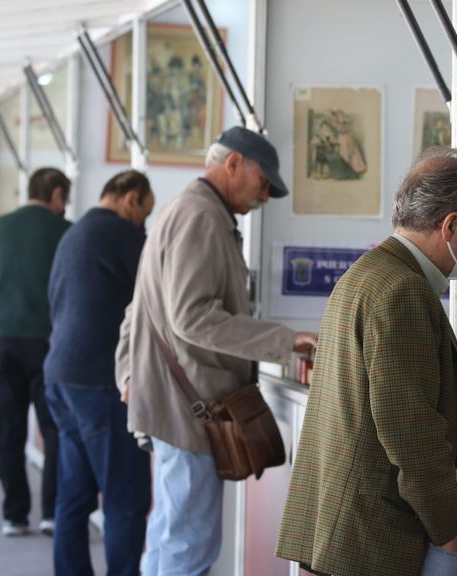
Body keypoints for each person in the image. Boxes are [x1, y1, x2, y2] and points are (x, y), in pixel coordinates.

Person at [276, 147, 457, 576]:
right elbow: (411, 436)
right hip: (372, 540)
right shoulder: (403, 291)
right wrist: (449, 534)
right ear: (451, 225)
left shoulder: (369, 272)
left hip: (342, 530)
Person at [115, 127, 318, 575]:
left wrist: (127, 374)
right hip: (189, 410)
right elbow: (193, 317)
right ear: (234, 164)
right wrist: (284, 341)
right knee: (188, 548)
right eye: (264, 182)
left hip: (174, 402)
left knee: (171, 539)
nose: (265, 196)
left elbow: (139, 308)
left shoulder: (181, 210)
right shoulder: (201, 217)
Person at [45, 170, 154, 576]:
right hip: (99, 379)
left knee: (73, 498)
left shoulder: (72, 234)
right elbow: (156, 296)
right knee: (125, 498)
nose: (144, 222)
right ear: (130, 198)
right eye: (145, 211)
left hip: (60, 373)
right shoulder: (124, 235)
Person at [0, 167, 71, 537]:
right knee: (54, 429)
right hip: (49, 342)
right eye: (65, 198)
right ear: (57, 194)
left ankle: (14, 513)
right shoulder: (65, 231)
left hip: (3, 340)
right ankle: (52, 513)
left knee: (7, 428)